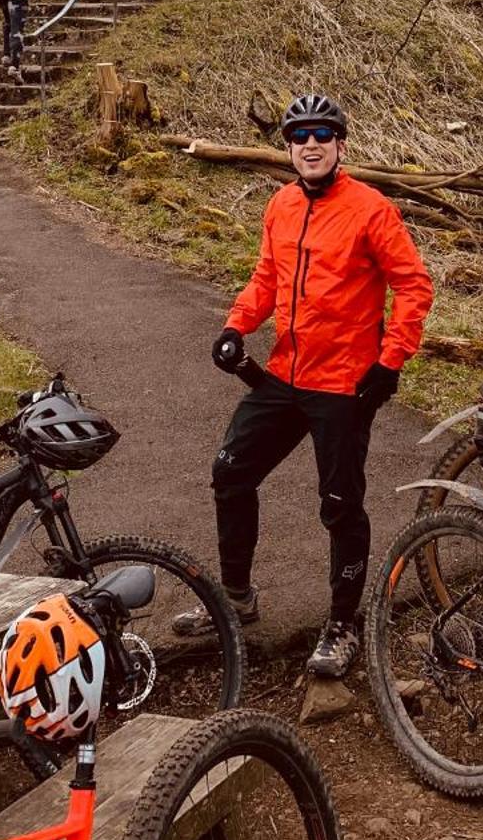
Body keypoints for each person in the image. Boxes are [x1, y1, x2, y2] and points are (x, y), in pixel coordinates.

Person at [174, 92, 434, 680]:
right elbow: (267, 278)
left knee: (339, 505)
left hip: (345, 385)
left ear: (340, 144)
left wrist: (390, 364)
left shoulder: (371, 210)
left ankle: (343, 624)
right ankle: (236, 599)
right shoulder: (282, 206)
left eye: (322, 134)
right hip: (284, 375)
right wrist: (236, 325)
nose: (310, 145)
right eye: (299, 136)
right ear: (289, 148)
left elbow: (414, 287)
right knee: (231, 472)